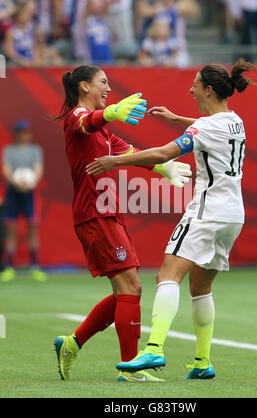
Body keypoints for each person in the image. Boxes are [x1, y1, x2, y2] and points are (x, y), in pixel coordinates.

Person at [86, 58, 256, 380]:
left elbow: (165, 154)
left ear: (208, 89)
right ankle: (203, 362)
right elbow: (208, 127)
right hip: (234, 215)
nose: (190, 89)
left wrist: (115, 161)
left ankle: (153, 349)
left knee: (167, 275)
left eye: (194, 84)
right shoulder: (236, 120)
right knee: (201, 287)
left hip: (207, 210)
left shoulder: (205, 127)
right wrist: (176, 117)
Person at [52, 64, 191, 383]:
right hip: (94, 215)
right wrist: (113, 110)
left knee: (124, 294)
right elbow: (87, 123)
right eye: (103, 83)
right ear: (84, 87)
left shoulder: (103, 130)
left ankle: (71, 345)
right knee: (132, 287)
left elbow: (129, 153)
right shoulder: (78, 117)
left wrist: (163, 169)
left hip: (108, 213)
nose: (108, 88)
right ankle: (131, 369)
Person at [1, 119, 47, 282]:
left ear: (29, 134)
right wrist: (17, 182)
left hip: (29, 193)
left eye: (26, 132)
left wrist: (31, 182)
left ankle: (34, 266)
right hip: (13, 192)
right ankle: (9, 266)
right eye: (21, 132)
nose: (24, 135)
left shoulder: (35, 150)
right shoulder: (9, 150)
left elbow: (38, 169)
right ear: (16, 134)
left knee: (32, 227)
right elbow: (6, 170)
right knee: (11, 229)